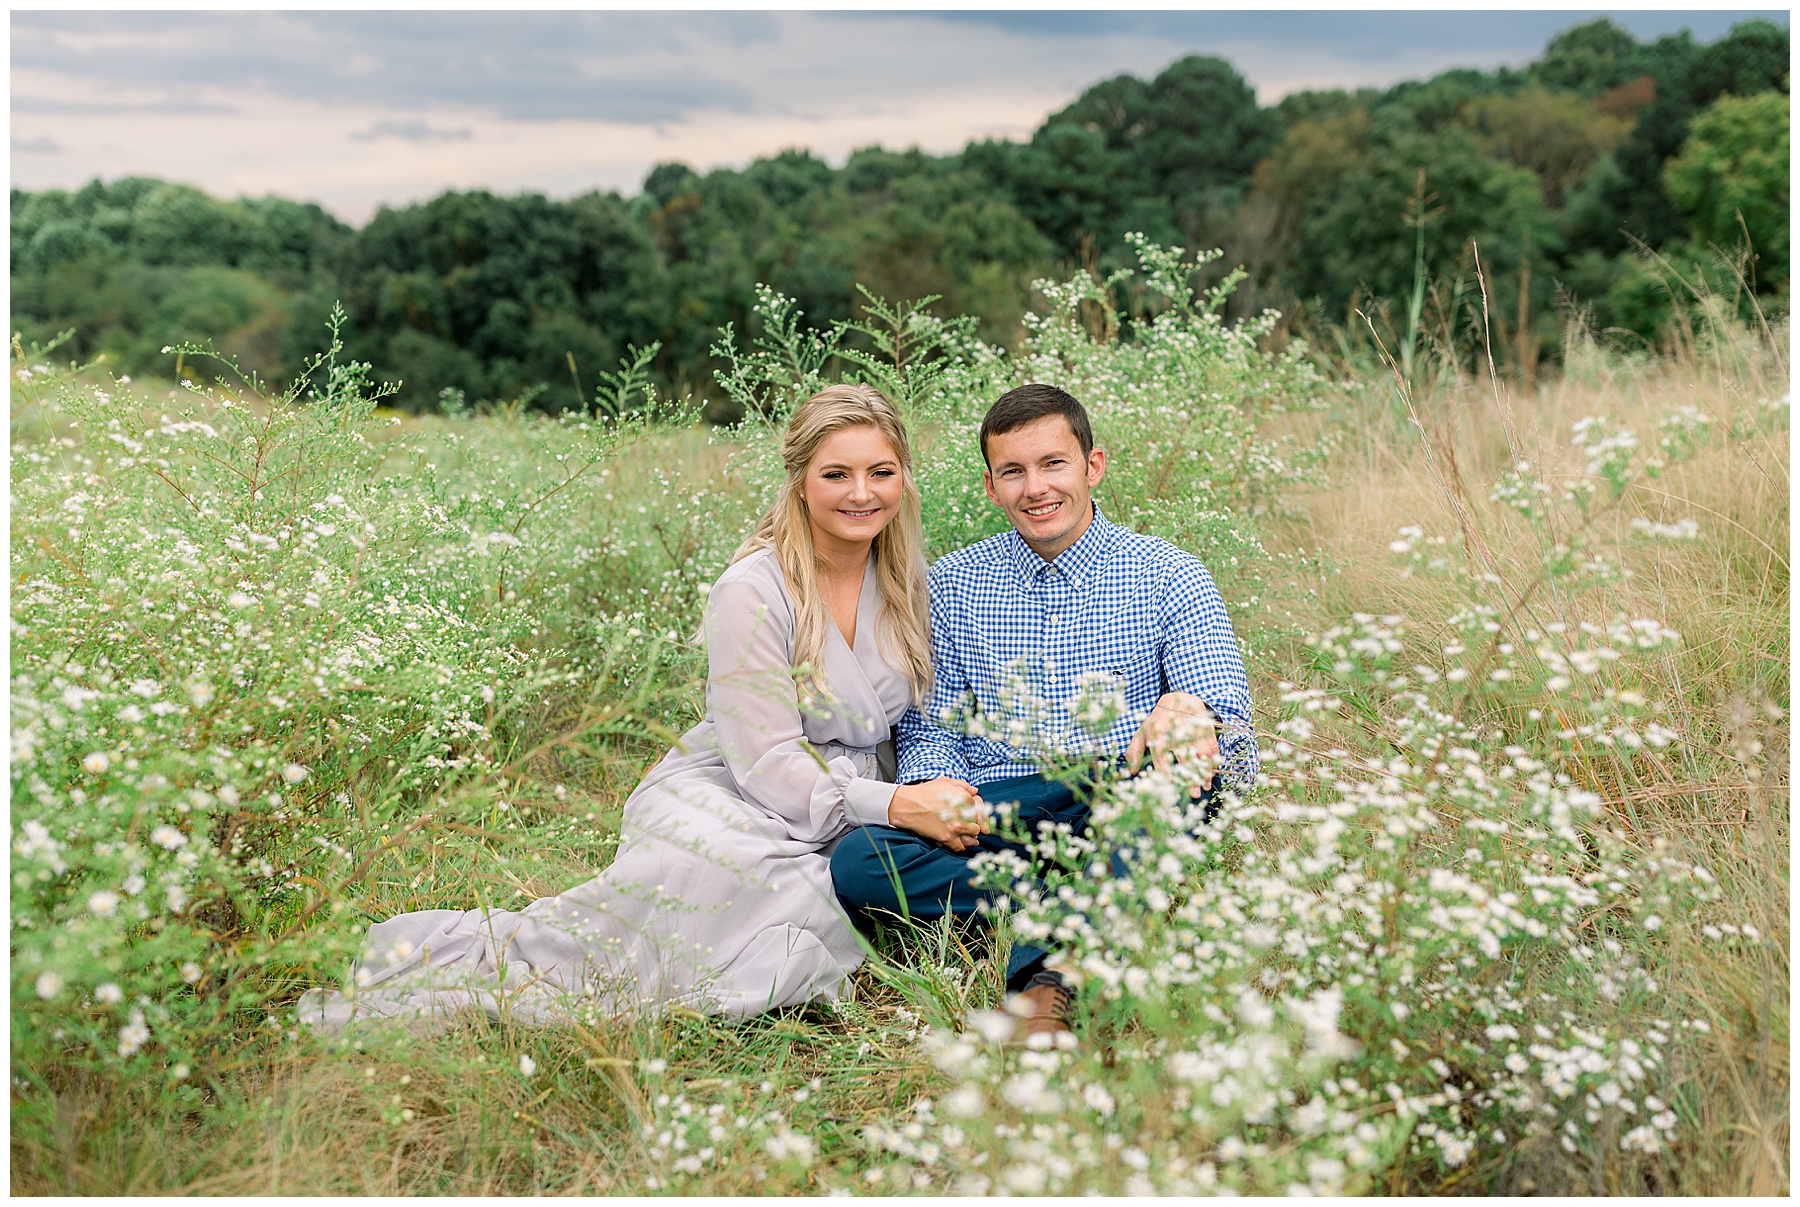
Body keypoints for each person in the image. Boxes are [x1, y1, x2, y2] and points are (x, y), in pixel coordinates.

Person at [298, 384, 983, 1029]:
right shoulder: (752, 588)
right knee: (708, 889)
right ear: (801, 480)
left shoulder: (911, 580)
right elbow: (768, 756)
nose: (861, 493)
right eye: (837, 474)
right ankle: (463, 965)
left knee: (832, 887)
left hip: (868, 788)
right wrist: (889, 805)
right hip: (753, 783)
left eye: (881, 472)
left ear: (904, 477)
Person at [830, 382, 1258, 1042]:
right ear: (991, 484)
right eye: (1014, 471)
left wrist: (1190, 709)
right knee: (859, 860)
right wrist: (940, 793)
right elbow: (930, 721)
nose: (1036, 488)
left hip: (1116, 790)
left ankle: (1049, 982)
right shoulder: (951, 582)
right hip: (1000, 807)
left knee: (1177, 785)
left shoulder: (1170, 574)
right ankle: (1094, 887)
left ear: (1093, 466)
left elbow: (1231, 738)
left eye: (1053, 463)